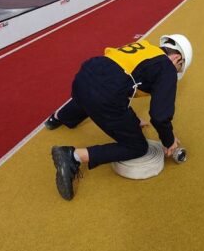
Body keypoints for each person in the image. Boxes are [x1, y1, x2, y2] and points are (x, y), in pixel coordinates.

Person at [47, 35, 193, 200]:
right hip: (104, 95)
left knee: (91, 93)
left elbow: (119, 79)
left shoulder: (145, 48)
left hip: (85, 76)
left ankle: (56, 117)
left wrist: (133, 120)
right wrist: (169, 140)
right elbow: (160, 116)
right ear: (177, 58)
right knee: (138, 146)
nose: (176, 72)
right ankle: (72, 156)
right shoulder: (167, 67)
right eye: (179, 68)